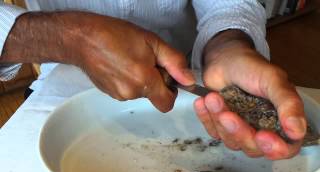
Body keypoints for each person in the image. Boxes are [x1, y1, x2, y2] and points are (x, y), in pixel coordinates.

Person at [0, 0, 306, 160]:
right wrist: (67, 38)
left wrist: (228, 44)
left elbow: (227, 5)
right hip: (62, 88)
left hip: (191, 88)